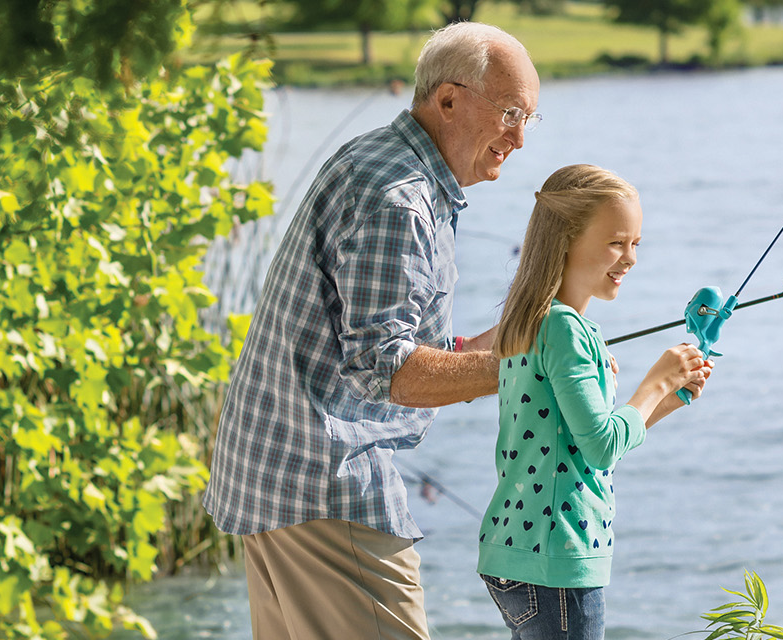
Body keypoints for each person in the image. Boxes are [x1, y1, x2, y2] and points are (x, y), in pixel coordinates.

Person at [203, 21, 541, 640]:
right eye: (511, 113)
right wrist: (531, 372)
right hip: (324, 487)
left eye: (530, 119)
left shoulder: (380, 158)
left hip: (278, 478)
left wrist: (520, 336)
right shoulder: (399, 196)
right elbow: (386, 371)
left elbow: (387, 347)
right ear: (447, 100)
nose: (519, 138)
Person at [476, 164, 711, 640]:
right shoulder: (563, 328)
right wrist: (655, 384)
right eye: (615, 242)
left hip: (520, 551)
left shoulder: (535, 322)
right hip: (557, 559)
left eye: (635, 245)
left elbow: (580, 446)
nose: (629, 259)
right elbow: (602, 446)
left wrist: (672, 396)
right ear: (565, 238)